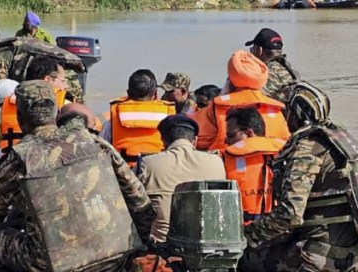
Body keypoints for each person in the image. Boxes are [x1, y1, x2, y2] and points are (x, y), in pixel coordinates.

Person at [0, 80, 156, 272]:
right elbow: (141, 203)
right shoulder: (96, 143)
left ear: (20, 119)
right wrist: (136, 251)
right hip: (114, 264)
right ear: (57, 113)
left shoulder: (20, 157)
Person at [240, 82, 358, 272]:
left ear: (295, 115)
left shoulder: (307, 149)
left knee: (242, 258)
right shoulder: (340, 140)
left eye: (287, 112)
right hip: (357, 249)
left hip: (322, 257)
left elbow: (289, 215)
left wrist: (248, 235)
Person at [0, 57, 71, 188]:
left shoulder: (6, 109)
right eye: (63, 80)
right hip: (54, 185)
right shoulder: (68, 108)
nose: (66, 85)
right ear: (47, 80)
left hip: (11, 185)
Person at [139, 114, 226, 243]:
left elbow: (132, 201)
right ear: (195, 140)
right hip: (209, 243)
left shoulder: (147, 163)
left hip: (162, 244)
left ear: (163, 140)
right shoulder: (217, 162)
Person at [194, 51, 290, 152]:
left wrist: (222, 94)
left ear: (230, 79)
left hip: (226, 160)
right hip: (271, 160)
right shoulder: (276, 108)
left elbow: (194, 136)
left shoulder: (217, 107)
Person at [101, 69, 176, 168]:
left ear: (128, 93)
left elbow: (102, 149)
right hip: (158, 170)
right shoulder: (169, 119)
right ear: (155, 93)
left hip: (125, 173)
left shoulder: (112, 122)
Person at [221, 106, 285, 222]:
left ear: (249, 133)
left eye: (230, 136)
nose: (227, 142)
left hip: (240, 227)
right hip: (276, 227)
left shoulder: (223, 159)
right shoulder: (284, 153)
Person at [245, 27, 301, 103]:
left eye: (253, 48)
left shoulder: (266, 74)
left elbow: (249, 97)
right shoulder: (287, 69)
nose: (251, 51)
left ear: (260, 50)